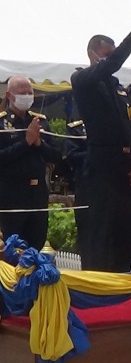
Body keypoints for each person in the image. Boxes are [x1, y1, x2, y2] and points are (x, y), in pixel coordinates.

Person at [71, 11, 131, 272]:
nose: (111, 59)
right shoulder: (82, 80)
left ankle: (122, 282)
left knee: (123, 232)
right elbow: (110, 65)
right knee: (101, 235)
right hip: (101, 168)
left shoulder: (120, 89)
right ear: (93, 54)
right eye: (107, 54)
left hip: (125, 169)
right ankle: (100, 287)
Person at [0, 76, 61, 250]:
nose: (27, 96)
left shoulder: (39, 121)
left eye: (30, 92)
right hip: (11, 196)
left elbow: (57, 156)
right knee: (12, 250)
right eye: (22, 93)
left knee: (36, 247)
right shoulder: (2, 122)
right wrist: (25, 143)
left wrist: (38, 144)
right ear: (9, 95)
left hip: (37, 196)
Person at [64, 119, 89, 255]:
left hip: (109, 191)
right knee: (87, 238)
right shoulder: (77, 129)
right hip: (86, 188)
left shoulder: (111, 125)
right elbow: (71, 156)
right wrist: (97, 153)